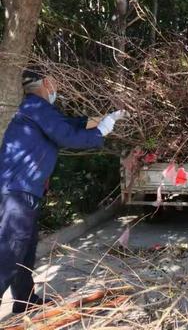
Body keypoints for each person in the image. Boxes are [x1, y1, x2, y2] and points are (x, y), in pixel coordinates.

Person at [0, 69, 127, 314]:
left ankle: (24, 301)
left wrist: (103, 119)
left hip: (24, 189)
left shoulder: (37, 110)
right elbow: (68, 135)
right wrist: (102, 131)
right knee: (10, 250)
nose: (56, 87)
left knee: (25, 248)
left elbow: (70, 124)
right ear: (47, 83)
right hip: (19, 190)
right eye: (55, 81)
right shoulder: (37, 108)